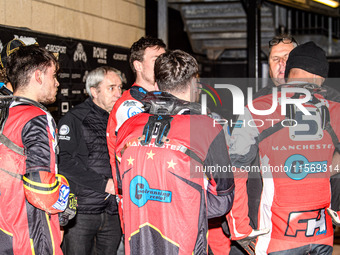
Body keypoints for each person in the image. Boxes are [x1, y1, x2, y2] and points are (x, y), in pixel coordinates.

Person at [115, 49, 235, 254]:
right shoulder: (207, 128)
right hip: (184, 242)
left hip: (138, 240)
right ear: (195, 84)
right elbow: (224, 199)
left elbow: (121, 183)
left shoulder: (127, 125)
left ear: (156, 85)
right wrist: (180, 201)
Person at [227, 41, 340, 254]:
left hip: (277, 236)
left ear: (289, 72)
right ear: (322, 77)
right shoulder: (334, 110)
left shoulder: (258, 108)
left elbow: (235, 168)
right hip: (322, 232)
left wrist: (239, 227)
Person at [0, 45, 71, 254]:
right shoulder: (36, 117)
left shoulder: (5, 110)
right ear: (38, 76)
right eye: (54, 75)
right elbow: (41, 188)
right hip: (27, 233)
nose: (57, 83)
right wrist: (65, 198)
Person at [58, 66, 123, 255]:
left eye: (120, 87)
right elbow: (63, 162)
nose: (118, 93)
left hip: (113, 210)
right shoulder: (75, 118)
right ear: (94, 91)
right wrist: (104, 184)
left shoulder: (122, 120)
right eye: (111, 88)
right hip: (82, 212)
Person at [106, 36, 166, 193]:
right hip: (138, 193)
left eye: (165, 60)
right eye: (156, 60)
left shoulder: (161, 99)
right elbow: (134, 157)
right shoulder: (130, 105)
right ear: (138, 65)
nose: (163, 65)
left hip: (158, 189)